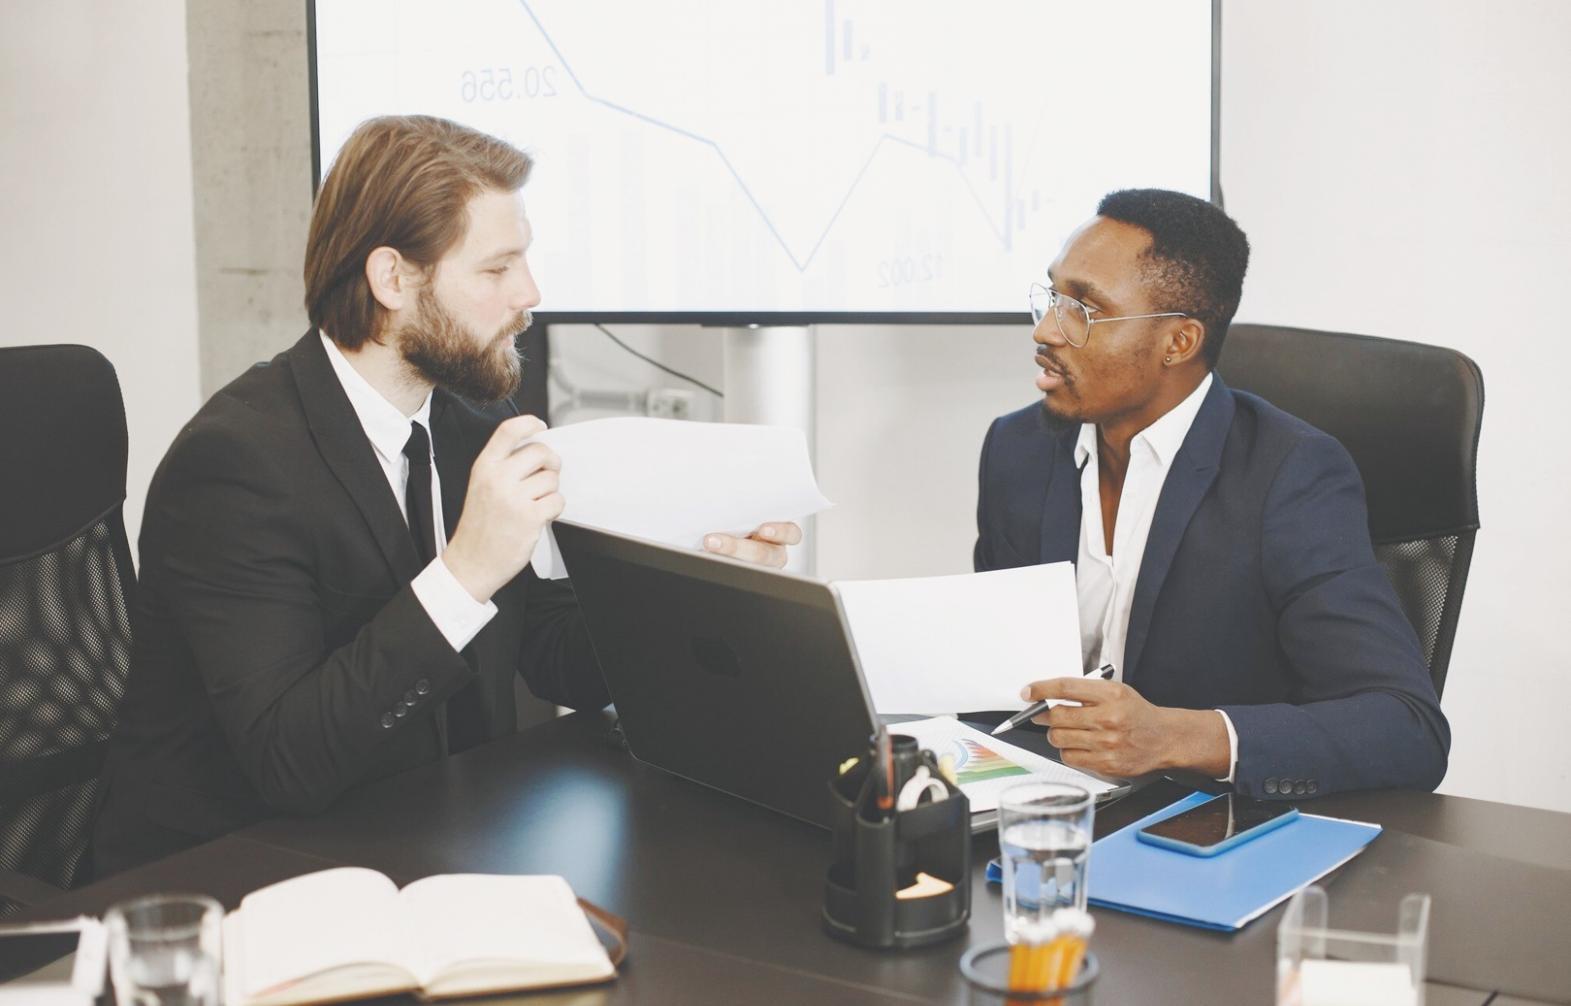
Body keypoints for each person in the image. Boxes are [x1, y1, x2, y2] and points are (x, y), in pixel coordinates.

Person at [92, 115, 799, 875]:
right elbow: (288, 761)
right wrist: (465, 573)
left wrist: (695, 583)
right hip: (232, 875)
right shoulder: (235, 466)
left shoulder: (474, 416)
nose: (529, 292)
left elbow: (554, 655)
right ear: (393, 279)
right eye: (495, 271)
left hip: (433, 833)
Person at [975, 188, 1448, 797]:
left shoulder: (1293, 476)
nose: (1046, 329)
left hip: (1208, 825)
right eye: (1052, 296)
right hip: (1046, 807)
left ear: (1179, 342)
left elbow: (1408, 729)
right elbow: (998, 671)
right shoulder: (1018, 447)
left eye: (1084, 310)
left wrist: (1174, 737)